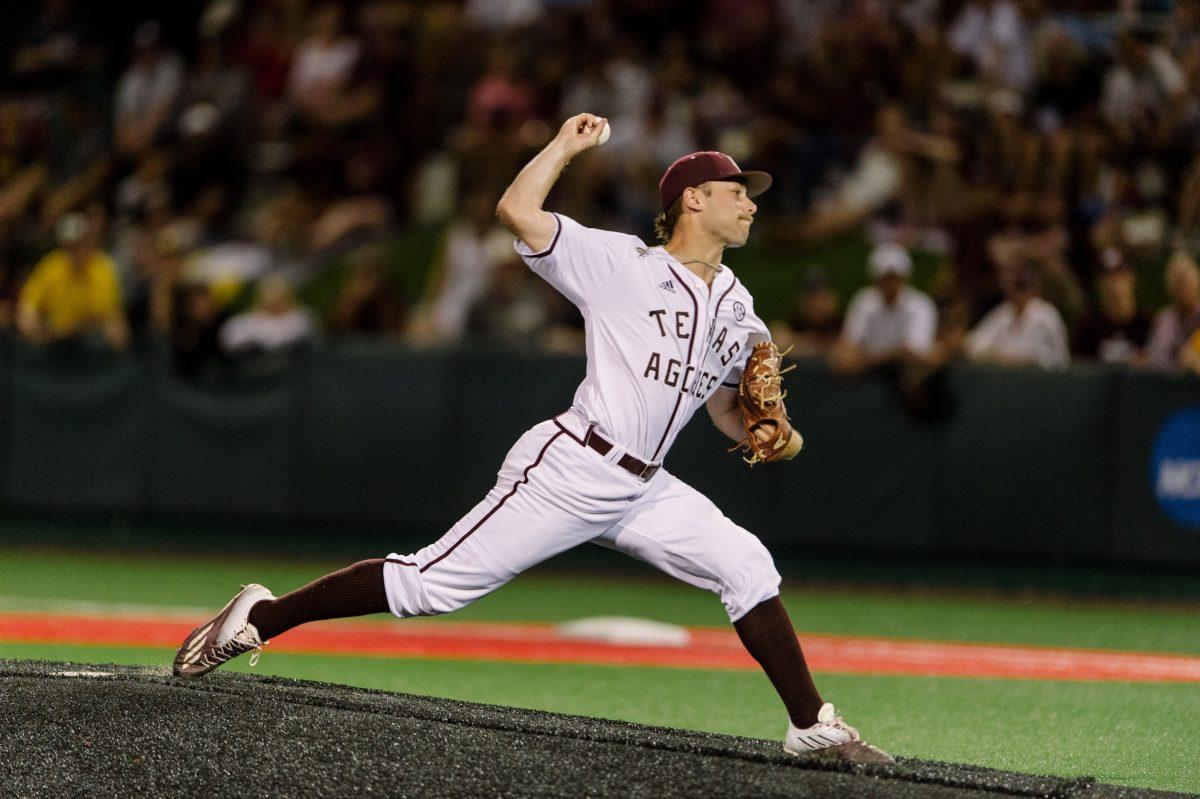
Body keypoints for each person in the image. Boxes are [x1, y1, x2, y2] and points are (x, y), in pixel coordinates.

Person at [173, 114, 893, 765]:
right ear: (693, 200)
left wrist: (772, 431)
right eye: (736, 188)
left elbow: (729, 413)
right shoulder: (622, 264)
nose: (751, 200)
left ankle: (811, 724)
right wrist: (563, 146)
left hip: (646, 486)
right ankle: (260, 615)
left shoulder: (740, 307)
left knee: (746, 562)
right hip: (575, 464)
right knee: (428, 586)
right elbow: (517, 211)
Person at [16, 213, 129, 350]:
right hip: (53, 339)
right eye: (70, 245)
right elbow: (27, 308)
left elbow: (111, 317)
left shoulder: (102, 268)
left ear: (89, 242)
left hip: (88, 339)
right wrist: (39, 335)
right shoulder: (51, 265)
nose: (75, 251)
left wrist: (118, 350)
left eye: (79, 244)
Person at [829, 243, 937, 376]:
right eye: (885, 277)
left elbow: (911, 352)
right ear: (875, 278)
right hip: (867, 377)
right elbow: (848, 344)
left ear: (905, 277)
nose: (890, 283)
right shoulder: (864, 300)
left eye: (895, 277)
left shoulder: (920, 304)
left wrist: (866, 361)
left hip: (904, 379)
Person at [965, 264, 1069, 369]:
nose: (1019, 294)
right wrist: (995, 355)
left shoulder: (1046, 315)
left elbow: (1059, 358)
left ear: (1035, 289)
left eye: (1023, 287)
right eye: (1016, 287)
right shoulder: (1003, 313)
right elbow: (974, 345)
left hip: (1040, 378)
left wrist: (1024, 359)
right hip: (1007, 377)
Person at [1072, 249, 1151, 365]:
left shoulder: (1147, 324)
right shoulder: (1087, 327)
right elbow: (1079, 370)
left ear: (1131, 278)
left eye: (1120, 276)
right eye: (1107, 277)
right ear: (1099, 283)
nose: (1114, 284)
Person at [1146, 251, 1200, 371]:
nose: (1182, 287)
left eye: (1185, 279)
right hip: (1169, 386)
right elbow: (1154, 359)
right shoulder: (1163, 321)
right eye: (1177, 281)